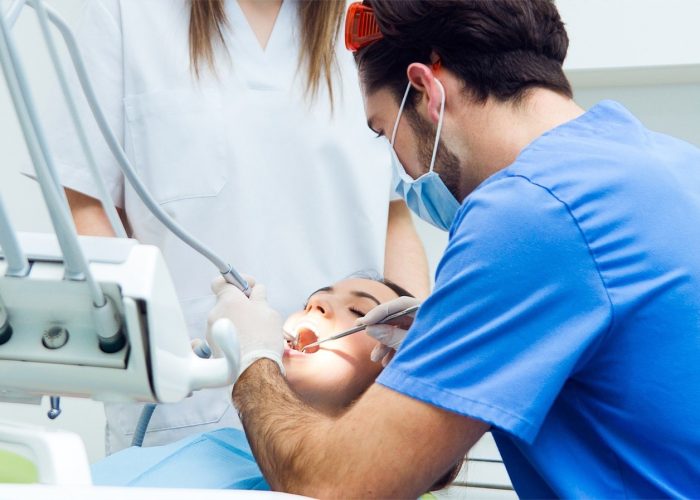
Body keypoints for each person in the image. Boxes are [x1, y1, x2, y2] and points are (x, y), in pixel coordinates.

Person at [209, 0, 700, 497]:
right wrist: (455, 334)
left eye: (384, 131)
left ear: (426, 91)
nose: (401, 167)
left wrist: (253, 357)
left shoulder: (528, 212)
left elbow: (333, 486)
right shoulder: (673, 164)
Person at [41, 0, 428, 453]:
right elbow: (88, 208)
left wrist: (416, 376)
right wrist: (153, 349)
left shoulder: (367, 17)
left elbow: (393, 215)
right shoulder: (125, 14)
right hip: (185, 409)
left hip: (346, 418)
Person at [90, 276, 459, 494]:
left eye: (359, 312)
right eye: (312, 301)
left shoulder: (362, 486)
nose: (317, 304)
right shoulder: (215, 449)